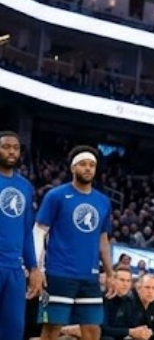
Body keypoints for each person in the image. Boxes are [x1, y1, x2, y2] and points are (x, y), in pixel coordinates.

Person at [37, 145, 115, 340]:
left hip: (90, 277)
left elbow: (103, 239)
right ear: (73, 168)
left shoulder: (103, 201)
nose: (88, 168)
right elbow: (39, 232)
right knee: (51, 329)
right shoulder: (56, 195)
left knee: (93, 331)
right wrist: (37, 268)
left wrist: (110, 273)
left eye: (92, 165)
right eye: (83, 164)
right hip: (58, 273)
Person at [0, 130, 42, 340]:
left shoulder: (25, 187)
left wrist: (33, 267)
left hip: (15, 269)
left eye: (15, 148)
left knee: (14, 330)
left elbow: (27, 231)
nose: (11, 152)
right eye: (6, 147)